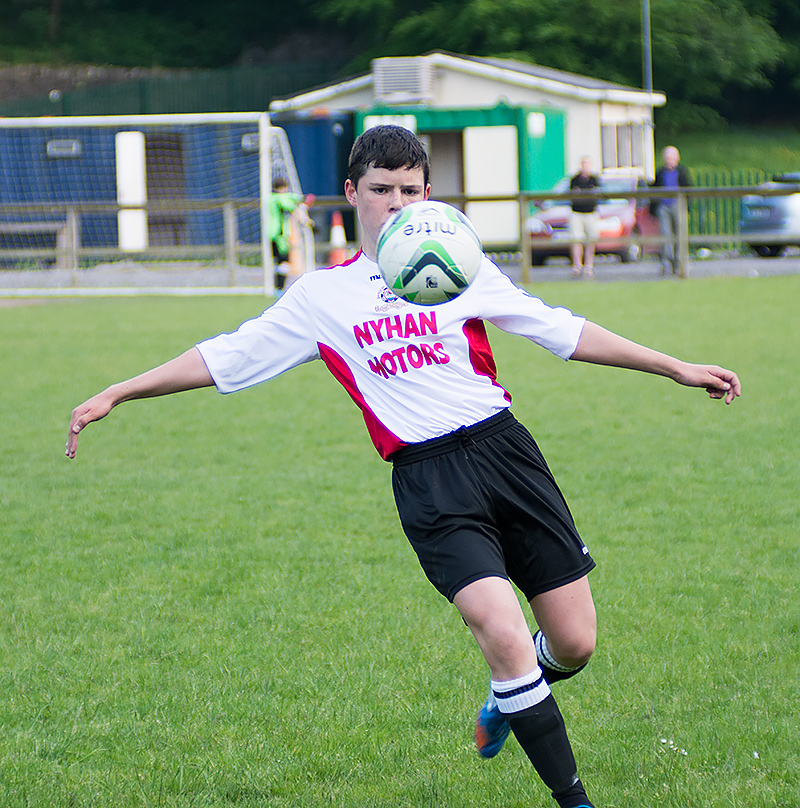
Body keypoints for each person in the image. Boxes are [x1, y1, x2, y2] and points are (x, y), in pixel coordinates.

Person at [66, 125, 740, 808]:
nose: (395, 202)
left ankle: (511, 696)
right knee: (502, 631)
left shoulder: (459, 258)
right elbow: (225, 357)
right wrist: (119, 390)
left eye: (409, 189)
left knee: (574, 642)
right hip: (429, 481)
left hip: (506, 454)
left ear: (427, 194)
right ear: (353, 192)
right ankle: (576, 799)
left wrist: (674, 367)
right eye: (381, 189)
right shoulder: (321, 298)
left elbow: (559, 328)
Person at [650, 146, 693, 275]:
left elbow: (689, 189)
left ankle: (679, 263)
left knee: (680, 234)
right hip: (664, 206)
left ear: (677, 158)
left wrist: (686, 206)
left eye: (672, 158)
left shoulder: (682, 172)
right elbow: (654, 190)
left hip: (678, 204)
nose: (670, 161)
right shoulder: (660, 173)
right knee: (665, 235)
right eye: (668, 158)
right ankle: (666, 263)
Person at [268, 176, 312, 292]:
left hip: (271, 234)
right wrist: (307, 221)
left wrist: (300, 199)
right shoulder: (280, 200)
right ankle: (279, 288)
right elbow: (291, 207)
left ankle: (276, 287)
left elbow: (290, 198)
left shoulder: (270, 198)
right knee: (284, 262)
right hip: (280, 235)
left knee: (278, 262)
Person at [568, 157, 600, 278]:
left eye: (587, 164)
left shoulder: (594, 180)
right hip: (577, 213)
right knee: (576, 239)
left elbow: (598, 195)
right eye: (583, 164)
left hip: (591, 213)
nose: (585, 166)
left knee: (591, 240)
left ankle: (589, 266)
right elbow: (571, 195)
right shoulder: (574, 180)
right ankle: (577, 265)